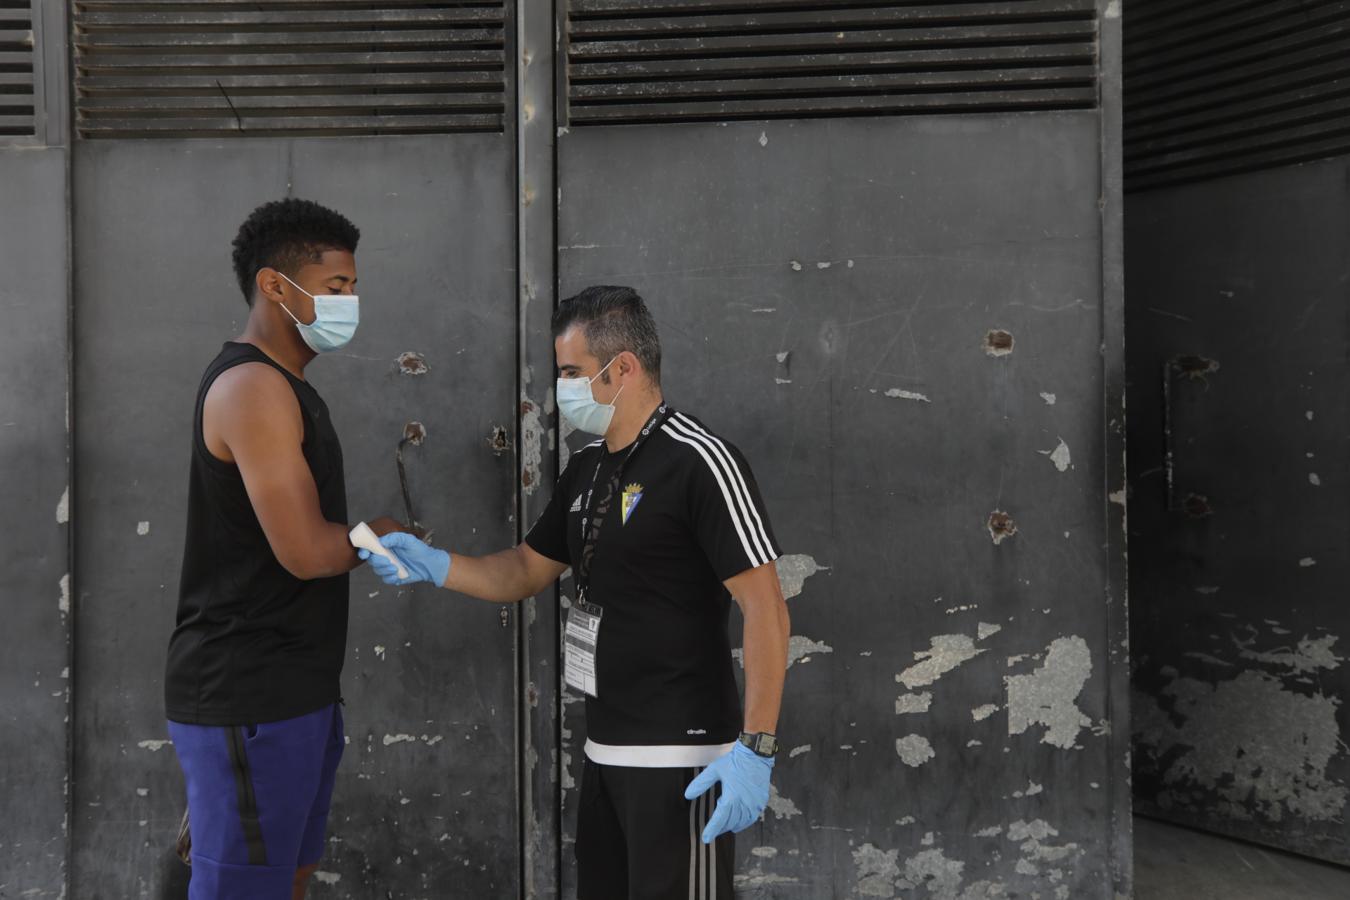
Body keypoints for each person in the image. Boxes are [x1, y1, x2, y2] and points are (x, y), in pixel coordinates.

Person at [364, 285, 791, 899]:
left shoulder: (701, 461)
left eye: (571, 372)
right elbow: (525, 570)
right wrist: (435, 566)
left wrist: (756, 750)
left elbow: (767, 609)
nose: (560, 388)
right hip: (605, 753)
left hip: (682, 764)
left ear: (623, 368)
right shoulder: (587, 467)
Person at [164, 198, 404, 900]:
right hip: (248, 696)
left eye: (353, 287)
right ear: (276, 286)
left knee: (287, 877)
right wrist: (374, 538)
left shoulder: (290, 385)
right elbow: (305, 551)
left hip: (296, 692)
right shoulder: (253, 388)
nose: (350, 302)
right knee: (242, 887)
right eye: (335, 288)